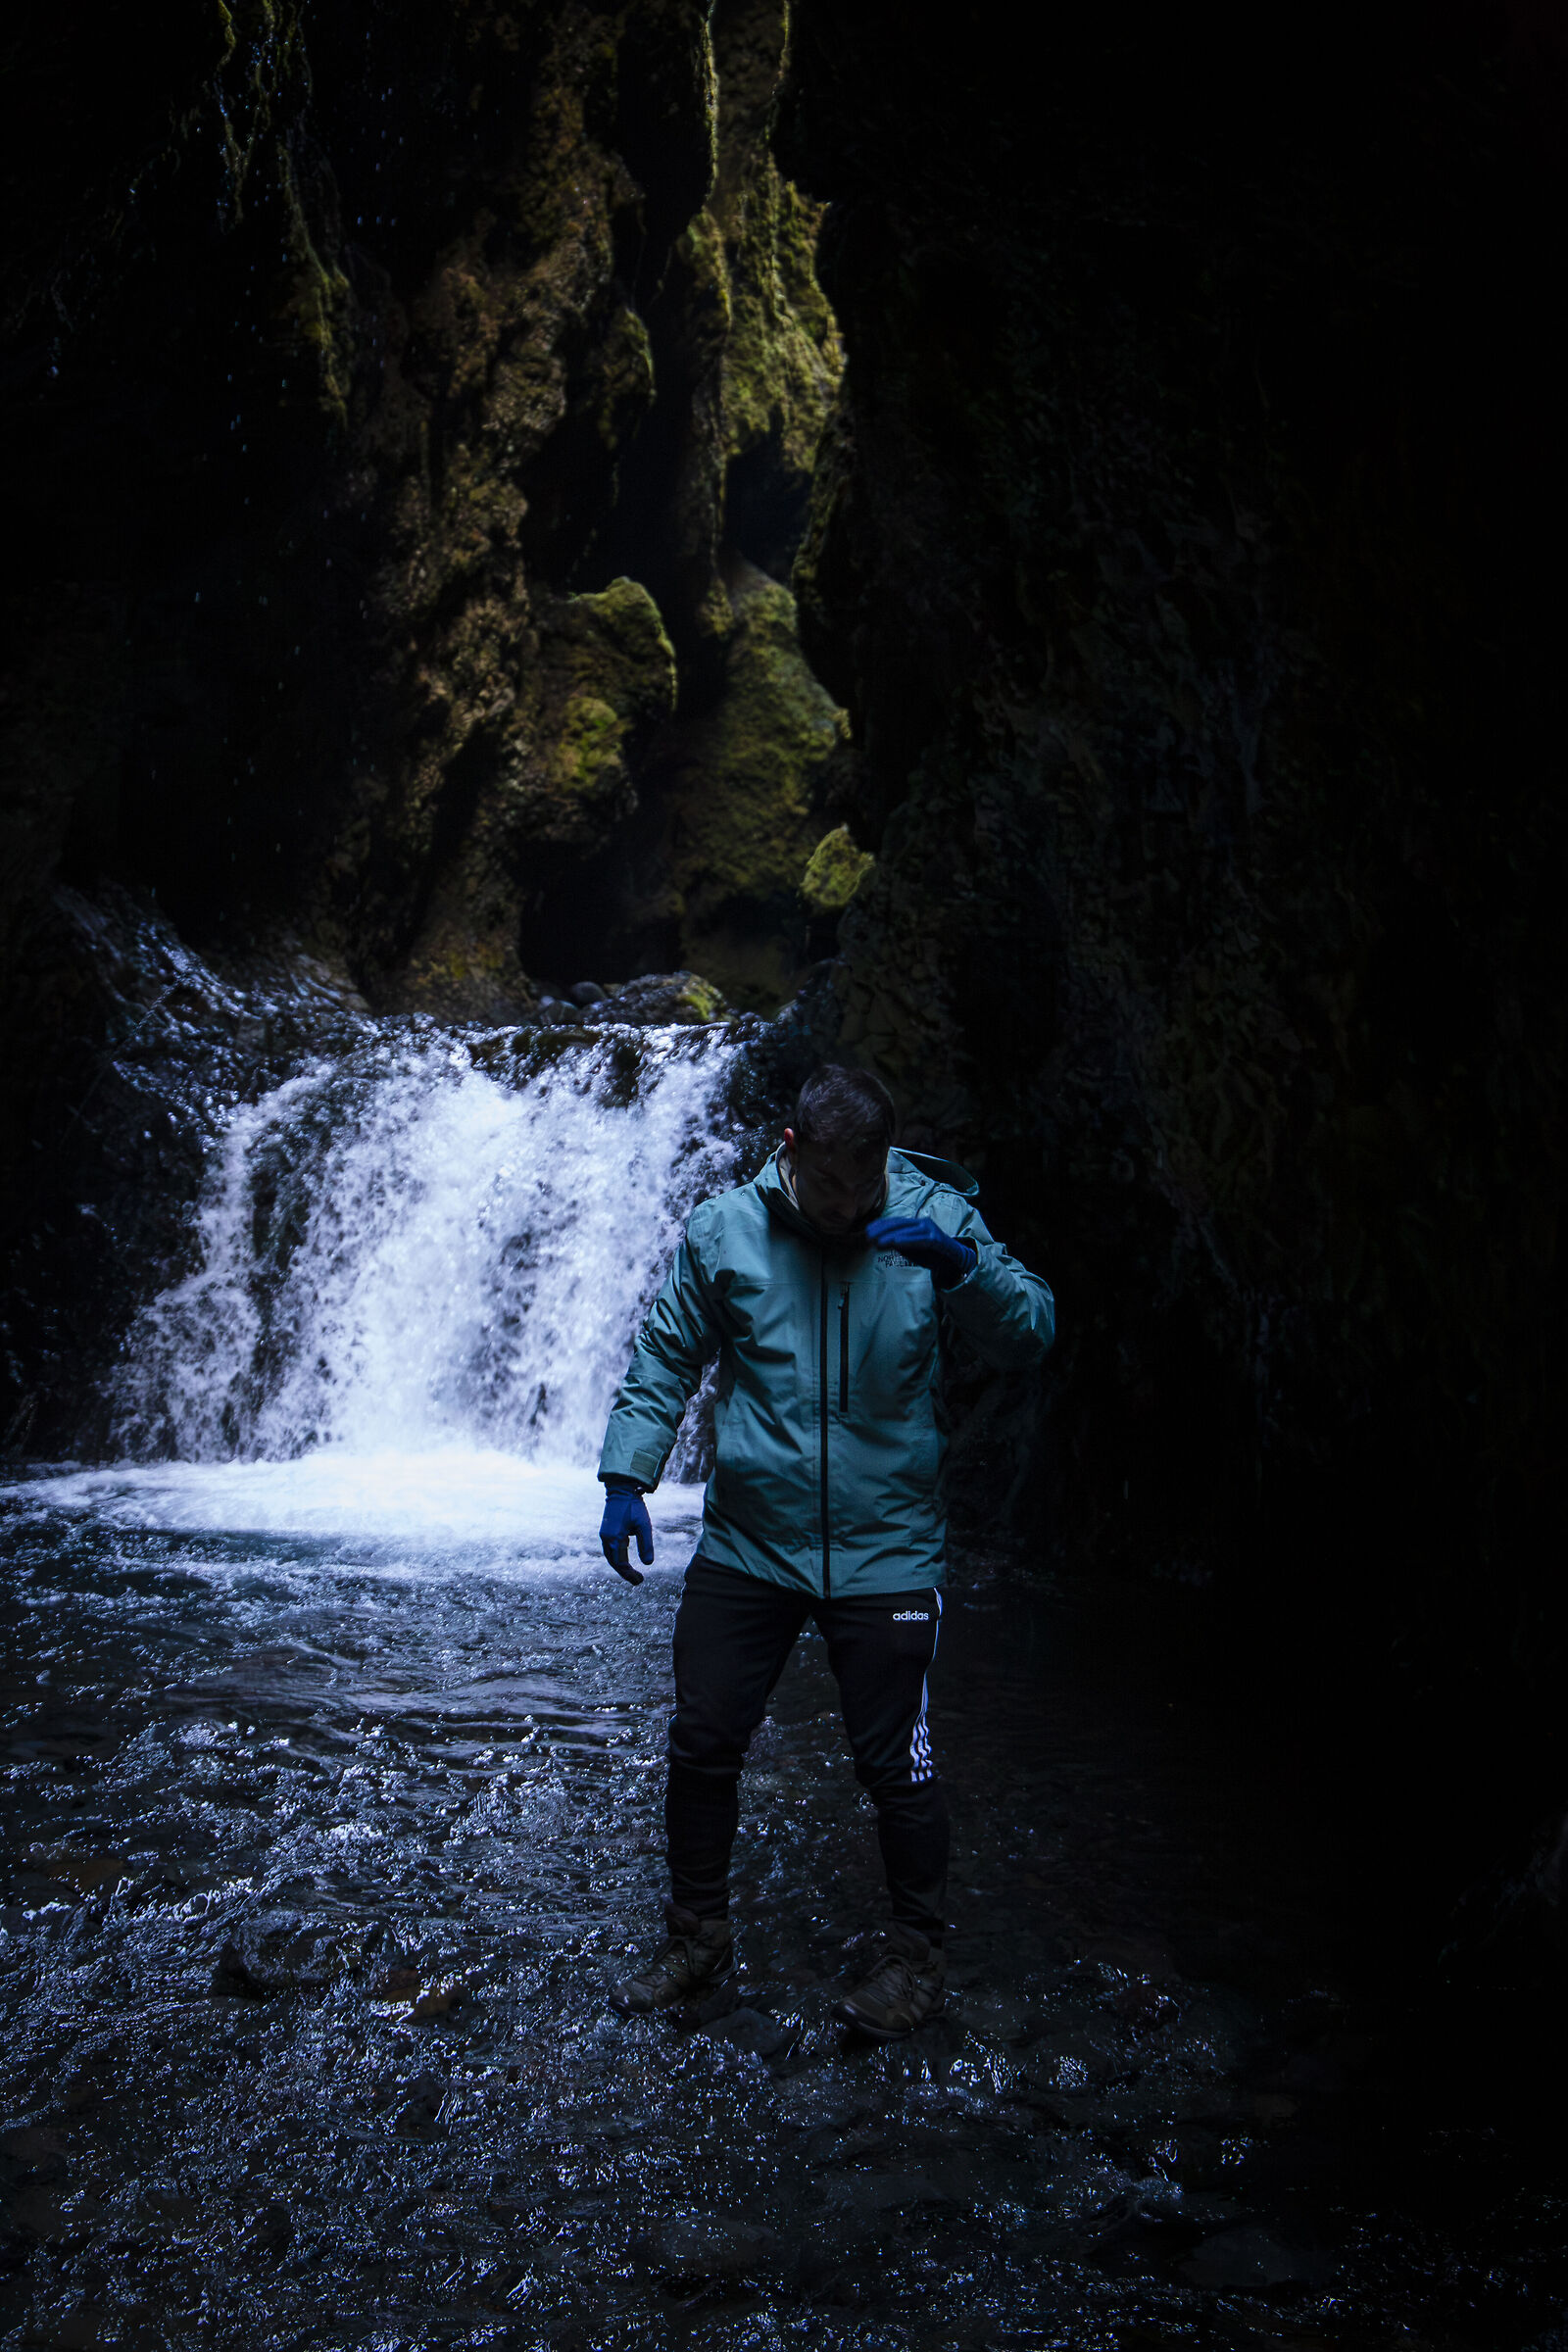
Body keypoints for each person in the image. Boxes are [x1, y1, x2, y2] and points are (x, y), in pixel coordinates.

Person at [595, 1062, 1054, 2040]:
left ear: (885, 1159)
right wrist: (627, 1477)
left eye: (864, 1184)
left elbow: (1031, 1333)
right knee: (703, 1741)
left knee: (897, 1766)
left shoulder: (934, 1217)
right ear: (792, 1149)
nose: (847, 1207)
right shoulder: (724, 1229)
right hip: (750, 1542)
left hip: (886, 1547)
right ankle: (696, 1939)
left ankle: (915, 1960)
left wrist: (960, 1269)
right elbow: (666, 1356)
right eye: (829, 1185)